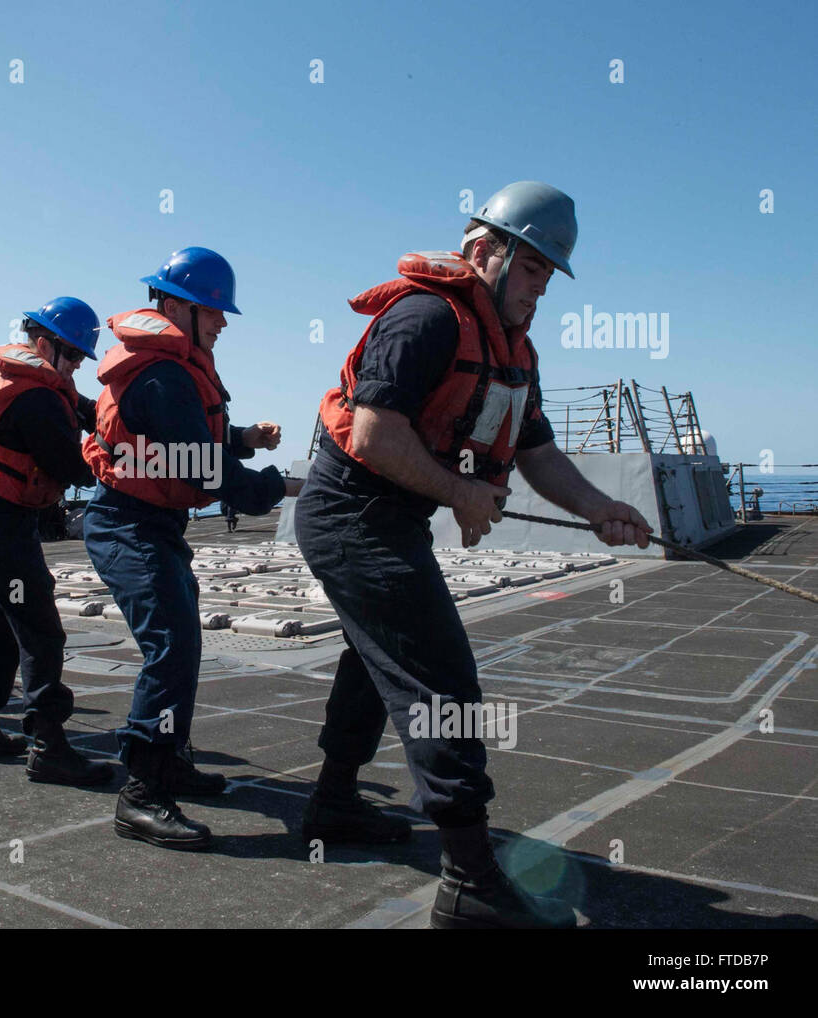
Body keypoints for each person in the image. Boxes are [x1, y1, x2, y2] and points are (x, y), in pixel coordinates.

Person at [296, 182, 652, 929]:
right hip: (349, 515)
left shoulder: (515, 353)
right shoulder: (426, 318)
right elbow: (373, 436)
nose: (540, 289)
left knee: (374, 661)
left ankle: (331, 806)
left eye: (549, 277)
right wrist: (457, 493)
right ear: (485, 253)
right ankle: (467, 882)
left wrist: (599, 509)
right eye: (532, 270)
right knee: (442, 683)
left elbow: (535, 450)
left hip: (389, 517)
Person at [82, 247, 300, 850]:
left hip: (155, 524)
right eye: (214, 310)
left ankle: (169, 761)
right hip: (128, 524)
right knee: (170, 646)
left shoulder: (170, 373)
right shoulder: (161, 373)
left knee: (183, 643)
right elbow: (204, 468)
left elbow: (185, 435)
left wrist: (244, 439)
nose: (223, 321)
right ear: (176, 306)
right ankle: (142, 795)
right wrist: (271, 487)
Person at [0, 297, 113, 783]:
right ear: (44, 344)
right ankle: (48, 744)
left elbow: (87, 409)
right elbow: (73, 470)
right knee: (41, 630)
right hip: (1, 523)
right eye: (73, 357)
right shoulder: (37, 398)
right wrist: (110, 452)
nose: (77, 368)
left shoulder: (37, 385)